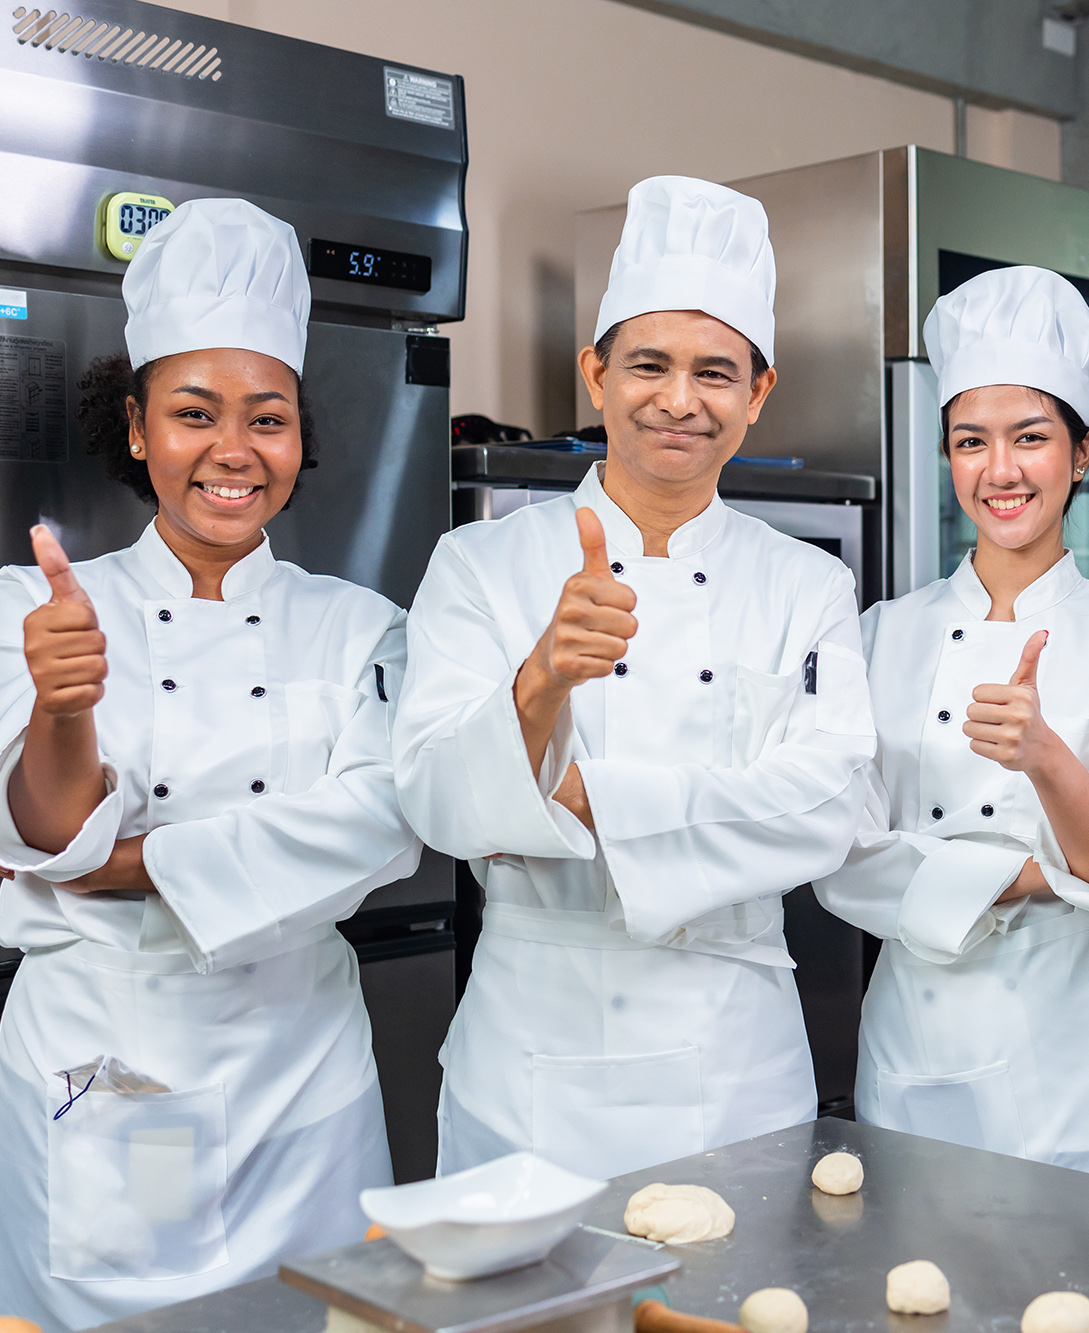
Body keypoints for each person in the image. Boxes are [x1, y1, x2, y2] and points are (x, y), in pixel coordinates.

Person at [0, 199, 422, 1331]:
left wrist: (139, 861)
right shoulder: (40, 602)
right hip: (120, 1065)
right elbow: (44, 836)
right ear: (136, 428)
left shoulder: (362, 625)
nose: (232, 450)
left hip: (301, 1070)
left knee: (313, 1318)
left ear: (299, 438)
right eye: (193, 413)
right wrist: (65, 708)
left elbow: (382, 829)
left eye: (267, 418)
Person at [392, 176, 876, 1181]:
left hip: (734, 1055)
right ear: (596, 374)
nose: (679, 400)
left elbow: (830, 805)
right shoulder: (481, 566)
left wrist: (582, 795)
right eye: (648, 364)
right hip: (532, 1054)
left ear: (757, 393)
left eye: (715, 371)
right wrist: (540, 681)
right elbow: (434, 800)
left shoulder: (807, 583)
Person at [813, 266, 1089, 1188]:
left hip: (1087, 1066)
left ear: (1081, 452)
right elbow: (837, 850)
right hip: (913, 1044)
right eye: (970, 441)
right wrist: (1048, 861)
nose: (999, 470)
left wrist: (1043, 760)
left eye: (1030, 438)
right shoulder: (879, 636)